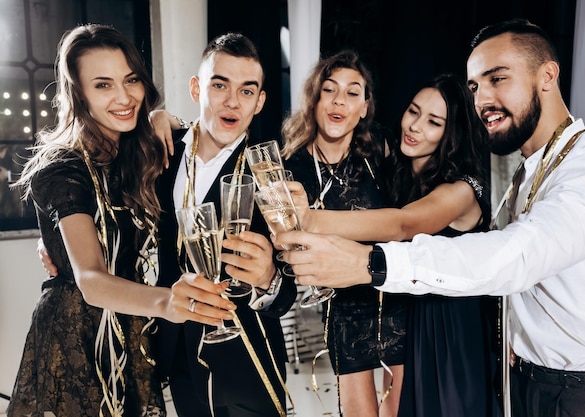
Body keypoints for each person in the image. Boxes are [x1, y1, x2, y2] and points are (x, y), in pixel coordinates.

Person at [276, 18, 585, 417]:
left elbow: (517, 255)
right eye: (476, 86)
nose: (483, 99)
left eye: (498, 79)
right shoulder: (530, 171)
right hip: (524, 377)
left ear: (547, 75)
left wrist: (362, 259)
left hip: (584, 391)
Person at [7, 24, 236, 417]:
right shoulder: (64, 167)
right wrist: (169, 302)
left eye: (131, 80)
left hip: (131, 333)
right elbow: (92, 280)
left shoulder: (135, 151)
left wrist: (163, 117)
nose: (124, 96)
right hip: (78, 338)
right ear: (77, 93)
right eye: (102, 85)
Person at [289, 72, 501, 416]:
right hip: (412, 322)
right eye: (413, 112)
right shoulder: (399, 173)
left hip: (452, 330)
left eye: (433, 122)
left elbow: (404, 224)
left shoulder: (461, 189)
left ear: (452, 134)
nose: (415, 126)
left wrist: (310, 218)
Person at [150, 32, 297, 417]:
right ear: (197, 88)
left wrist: (269, 278)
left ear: (260, 101)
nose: (232, 101)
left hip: (246, 356)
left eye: (247, 91)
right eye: (219, 85)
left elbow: (290, 288)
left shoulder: (272, 175)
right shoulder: (158, 150)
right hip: (176, 350)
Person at [281, 49, 410, 417]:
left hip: (396, 297)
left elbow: (409, 217)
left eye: (353, 92)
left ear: (365, 106)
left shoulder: (381, 150)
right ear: (315, 98)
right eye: (329, 90)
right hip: (343, 307)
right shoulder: (291, 165)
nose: (340, 100)